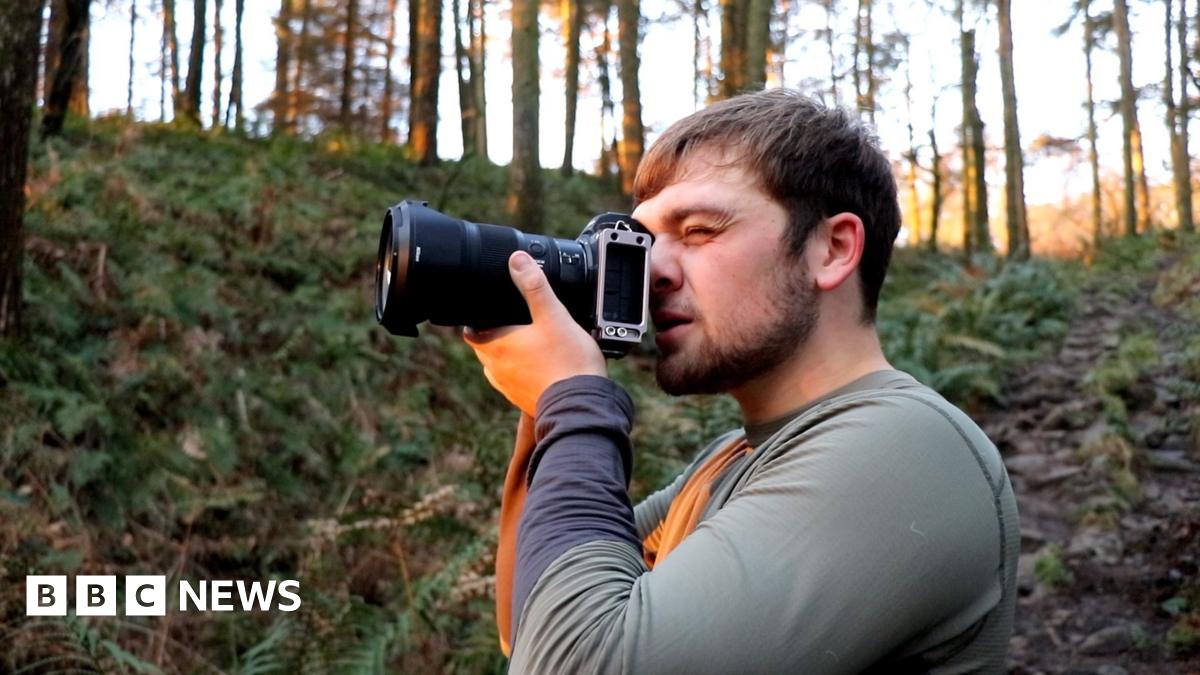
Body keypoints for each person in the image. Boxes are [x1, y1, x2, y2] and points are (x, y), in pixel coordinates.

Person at [462, 89, 1018, 674]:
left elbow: (574, 662)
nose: (654, 270)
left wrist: (573, 401)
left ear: (832, 248)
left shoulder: (908, 450)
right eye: (645, 241)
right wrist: (548, 397)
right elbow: (531, 619)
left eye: (699, 230)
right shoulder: (733, 458)